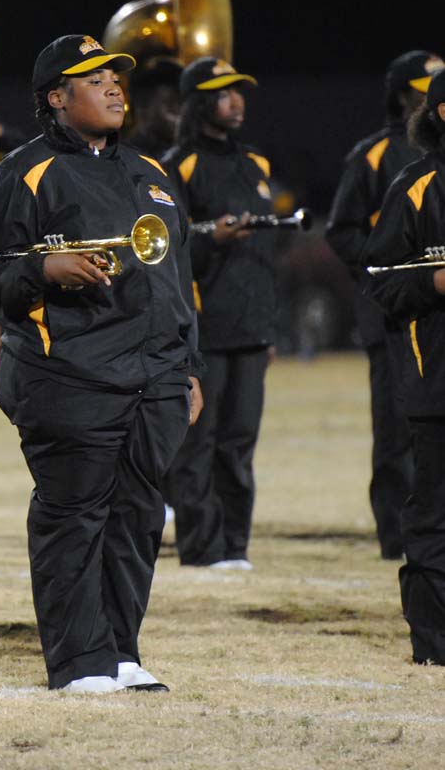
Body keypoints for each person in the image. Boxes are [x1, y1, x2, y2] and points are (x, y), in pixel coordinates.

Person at [0, 34, 202, 694]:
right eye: (93, 79)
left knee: (138, 519)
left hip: (155, 377)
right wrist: (43, 269)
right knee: (74, 519)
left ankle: (120, 652)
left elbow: (177, 279)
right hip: (68, 373)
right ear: (56, 98)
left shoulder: (151, 173)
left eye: (114, 78)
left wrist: (189, 367)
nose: (113, 87)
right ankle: (79, 663)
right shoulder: (26, 170)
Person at [326, 50, 442, 560]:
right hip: (392, 312)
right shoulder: (373, 155)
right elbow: (343, 232)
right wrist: (391, 269)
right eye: (422, 90)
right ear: (402, 95)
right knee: (397, 423)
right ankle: (397, 535)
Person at [161, 57, 274, 570]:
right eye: (224, 92)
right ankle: (202, 548)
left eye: (238, 91)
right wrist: (213, 239)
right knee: (199, 443)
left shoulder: (256, 162)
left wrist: (270, 322)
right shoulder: (177, 165)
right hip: (204, 326)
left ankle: (235, 546)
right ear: (200, 102)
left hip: (251, 326)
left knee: (240, 441)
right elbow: (168, 247)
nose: (237, 101)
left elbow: (266, 254)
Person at [364, 68, 445, 666]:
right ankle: (436, 642)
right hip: (438, 380)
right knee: (436, 515)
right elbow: (380, 280)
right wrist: (436, 281)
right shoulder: (415, 186)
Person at [123, 56, 183, 159]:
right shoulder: (122, 160)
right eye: (171, 103)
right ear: (142, 106)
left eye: (182, 103)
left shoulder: (187, 155)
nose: (181, 114)